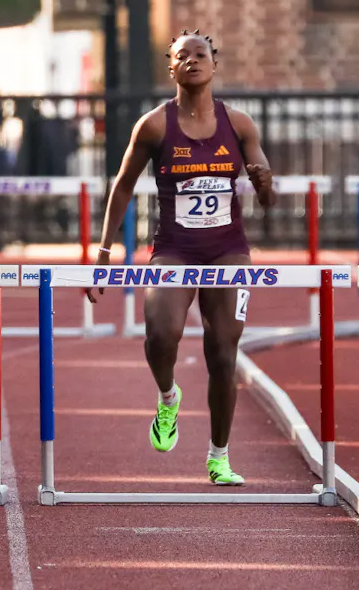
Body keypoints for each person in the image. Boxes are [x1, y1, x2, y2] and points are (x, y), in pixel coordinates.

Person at [86, 30, 275, 486]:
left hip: (228, 251)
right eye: (181, 56)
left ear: (215, 64)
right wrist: (104, 253)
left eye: (201, 54)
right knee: (161, 334)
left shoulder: (240, 124)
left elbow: (268, 199)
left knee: (224, 354)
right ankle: (168, 397)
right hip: (174, 249)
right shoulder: (154, 125)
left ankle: (219, 457)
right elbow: (123, 185)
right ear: (170, 68)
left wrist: (265, 181)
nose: (192, 61)